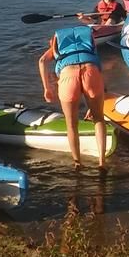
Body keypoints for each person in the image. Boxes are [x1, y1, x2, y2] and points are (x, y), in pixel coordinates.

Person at [39, 24, 108, 168]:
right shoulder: (89, 43)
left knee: (71, 125)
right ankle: (102, 162)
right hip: (91, 72)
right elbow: (99, 68)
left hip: (68, 75)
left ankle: (78, 163)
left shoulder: (56, 47)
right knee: (98, 119)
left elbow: (42, 61)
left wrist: (47, 88)